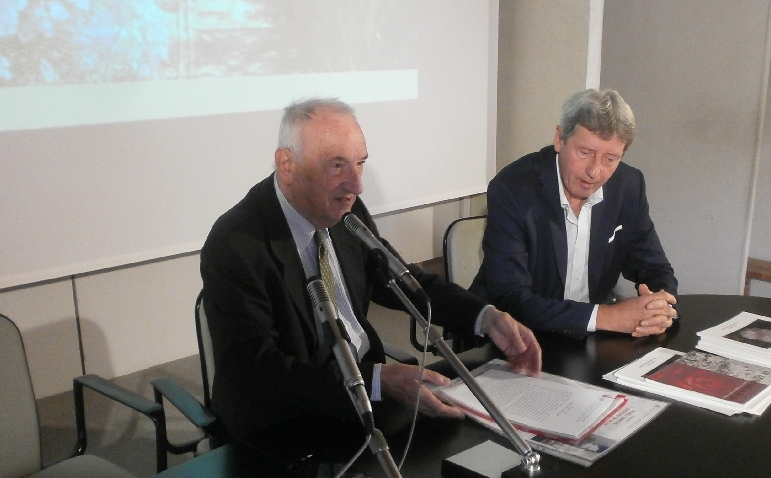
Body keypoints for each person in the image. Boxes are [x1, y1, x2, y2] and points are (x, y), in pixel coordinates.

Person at [201, 97, 542, 443]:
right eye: (336, 166)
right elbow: (257, 374)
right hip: (286, 421)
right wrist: (377, 380)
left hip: (368, 398)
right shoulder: (235, 243)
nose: (356, 185)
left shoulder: (346, 212)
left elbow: (403, 281)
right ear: (287, 165)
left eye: (360, 163)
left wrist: (485, 317)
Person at [469, 88, 678, 338]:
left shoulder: (628, 186)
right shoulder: (513, 188)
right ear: (559, 139)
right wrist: (609, 316)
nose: (595, 171)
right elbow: (512, 299)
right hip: (513, 338)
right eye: (585, 153)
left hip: (589, 336)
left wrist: (659, 308)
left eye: (610, 158)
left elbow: (655, 267)